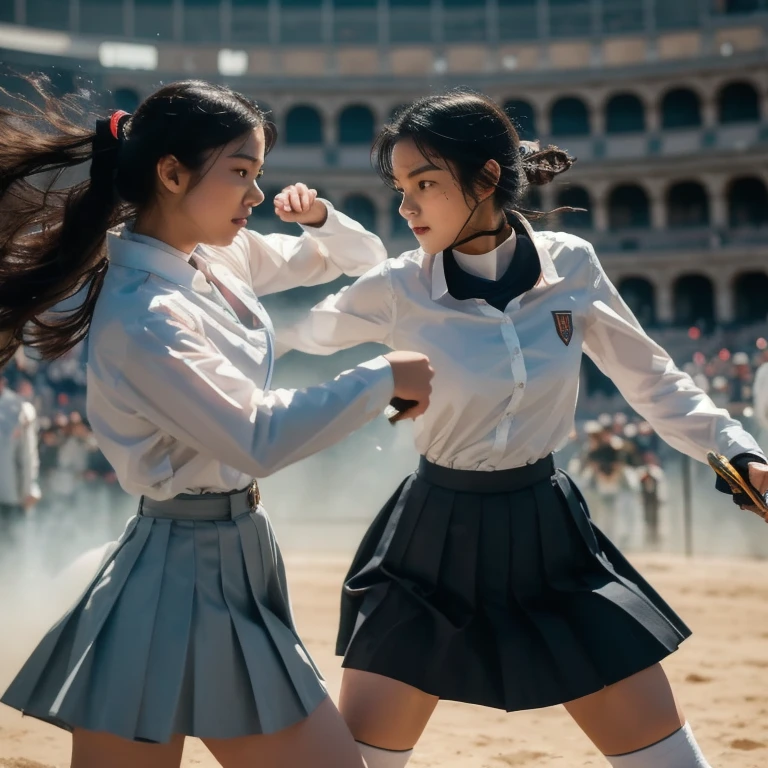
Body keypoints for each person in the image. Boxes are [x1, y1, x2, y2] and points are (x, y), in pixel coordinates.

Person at [277, 89, 768, 768]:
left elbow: (654, 382)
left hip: (550, 538)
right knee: (359, 765)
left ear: (486, 178)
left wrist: (740, 453)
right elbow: (297, 334)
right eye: (399, 187)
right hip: (430, 545)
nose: (406, 205)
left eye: (425, 183)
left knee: (670, 764)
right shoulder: (395, 286)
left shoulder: (573, 263)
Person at [0, 79, 433, 768]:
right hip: (181, 562)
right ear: (171, 174)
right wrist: (382, 377)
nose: (256, 196)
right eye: (240, 173)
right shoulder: (146, 313)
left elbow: (363, 260)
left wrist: (321, 219)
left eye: (257, 175)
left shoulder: (216, 257)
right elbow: (255, 437)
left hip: (221, 551)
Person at [0, 366, 41, 547]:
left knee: (11, 548)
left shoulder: (18, 408)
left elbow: (27, 455)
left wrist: (28, 489)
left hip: (10, 496)